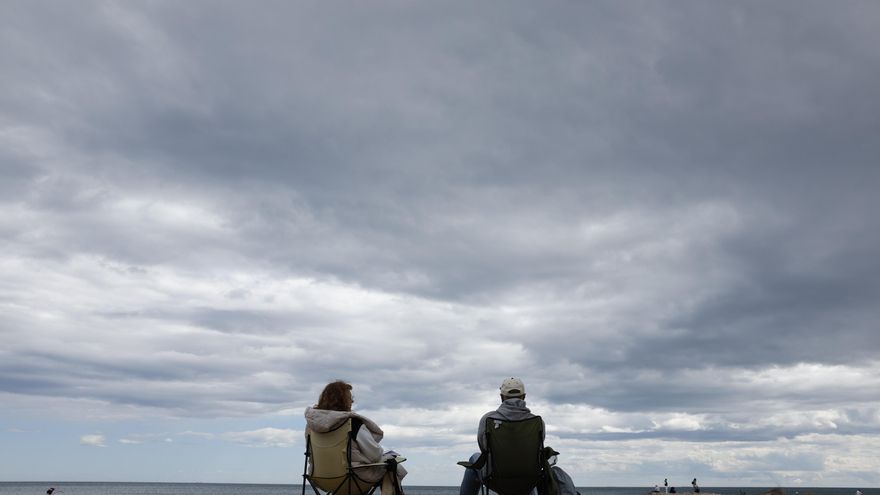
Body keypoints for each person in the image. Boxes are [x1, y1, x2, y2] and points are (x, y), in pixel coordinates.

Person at [460, 377, 580, 495]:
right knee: (529, 472)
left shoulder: (488, 419)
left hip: (496, 478)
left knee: (474, 458)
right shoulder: (537, 422)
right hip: (528, 480)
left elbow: (484, 449)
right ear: (524, 396)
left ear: (501, 397)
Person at [304, 380, 407, 494]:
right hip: (353, 478)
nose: (352, 400)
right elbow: (375, 454)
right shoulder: (352, 423)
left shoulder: (311, 427)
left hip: (321, 479)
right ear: (342, 401)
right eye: (349, 397)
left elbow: (310, 453)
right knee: (392, 466)